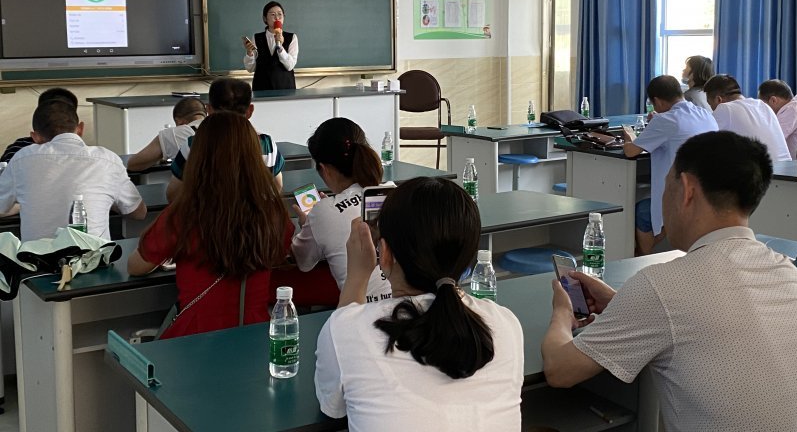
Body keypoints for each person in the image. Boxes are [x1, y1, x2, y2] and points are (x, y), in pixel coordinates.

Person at [542, 131, 797, 432]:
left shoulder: (663, 285)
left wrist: (562, 312)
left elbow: (560, 370)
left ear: (687, 189)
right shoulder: (788, 272)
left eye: (665, 186)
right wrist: (621, 303)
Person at [315, 177, 524, 429]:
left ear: (385, 253)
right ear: (469, 258)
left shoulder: (346, 330)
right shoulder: (507, 324)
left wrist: (357, 276)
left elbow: (334, 410)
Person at [128, 112, 292, 339]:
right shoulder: (272, 212)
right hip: (256, 333)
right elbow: (281, 252)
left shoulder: (184, 213)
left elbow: (136, 266)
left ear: (198, 157)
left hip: (196, 333)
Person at [0, 100, 146, 241]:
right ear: (80, 128)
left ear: (35, 137)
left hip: (37, 262)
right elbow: (139, 213)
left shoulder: (22, 158)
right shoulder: (107, 159)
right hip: (93, 260)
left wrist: (24, 202)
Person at [291, 118, 391, 303]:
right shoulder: (392, 192)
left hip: (361, 312)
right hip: (403, 305)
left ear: (324, 169)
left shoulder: (322, 211)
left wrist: (308, 223)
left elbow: (304, 263)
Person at [622, 75, 717, 255]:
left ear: (657, 101)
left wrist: (629, 137)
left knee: (642, 212)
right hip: (706, 191)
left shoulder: (665, 120)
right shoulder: (704, 114)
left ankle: (644, 257)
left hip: (679, 194)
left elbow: (631, 151)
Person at [166, 78, 284, 201]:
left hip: (204, 219)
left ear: (209, 110)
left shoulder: (193, 145)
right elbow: (277, 187)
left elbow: (173, 194)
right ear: (250, 110)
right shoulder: (267, 145)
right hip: (255, 219)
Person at [704, 74, 792, 162]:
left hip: (764, 172)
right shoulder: (763, 105)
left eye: (710, 104)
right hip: (786, 169)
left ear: (718, 99)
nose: (711, 109)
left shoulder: (725, 108)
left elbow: (706, 144)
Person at [126, 97, 206, 172]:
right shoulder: (216, 128)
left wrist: (158, 157)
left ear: (179, 121)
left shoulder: (176, 133)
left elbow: (133, 164)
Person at [1, 87, 79, 163]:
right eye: (50, 113)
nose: (57, 119)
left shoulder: (81, 152)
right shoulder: (18, 149)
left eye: (64, 114)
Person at [243, 1, 298, 91]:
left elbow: (290, 65)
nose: (277, 18)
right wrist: (249, 53)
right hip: (261, 87)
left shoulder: (292, 37)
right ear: (265, 18)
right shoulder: (257, 37)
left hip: (285, 88)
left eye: (280, 14)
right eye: (272, 14)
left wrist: (280, 47)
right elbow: (250, 68)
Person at [758, 79, 797, 159]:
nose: (763, 110)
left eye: (763, 105)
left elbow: (772, 139)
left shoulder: (792, 110)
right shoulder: (795, 105)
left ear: (773, 100)